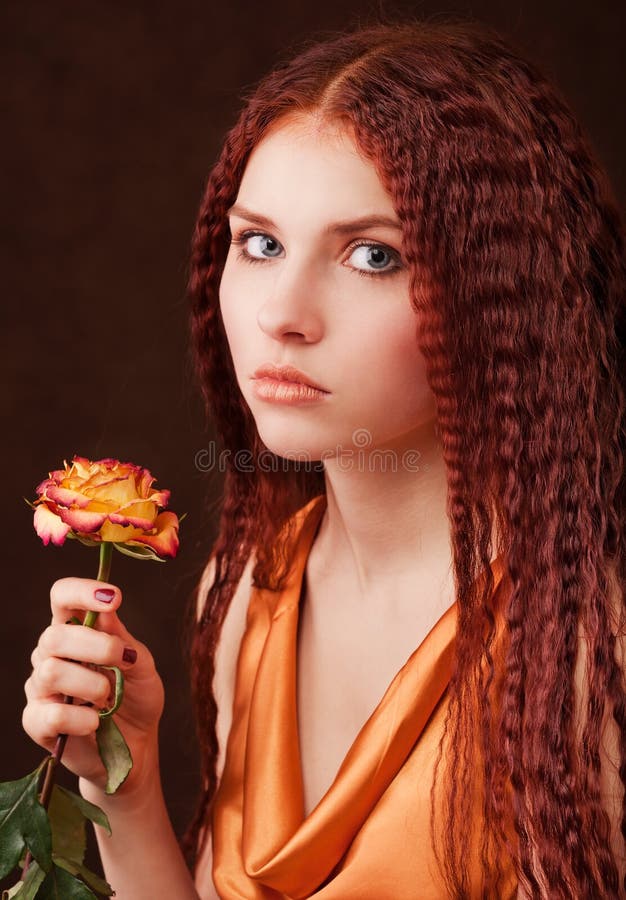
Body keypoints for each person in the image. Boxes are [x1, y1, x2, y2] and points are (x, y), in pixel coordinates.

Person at [22, 18, 625, 899]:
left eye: (372, 256)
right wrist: (126, 778)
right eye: (259, 244)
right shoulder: (251, 589)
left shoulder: (576, 661)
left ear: (502, 300)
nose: (283, 313)